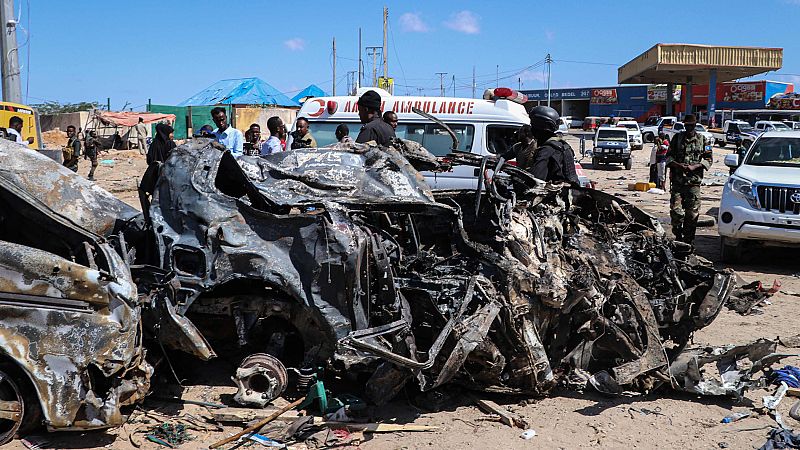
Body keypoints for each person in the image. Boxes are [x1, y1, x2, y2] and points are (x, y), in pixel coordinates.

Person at [665, 114, 713, 245]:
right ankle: (678, 236)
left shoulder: (703, 140)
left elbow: (709, 159)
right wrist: (678, 165)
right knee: (676, 212)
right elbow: (668, 157)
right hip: (678, 182)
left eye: (691, 126)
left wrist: (695, 166)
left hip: (693, 183)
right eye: (687, 125)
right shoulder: (677, 138)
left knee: (691, 215)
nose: (689, 128)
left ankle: (688, 240)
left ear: (695, 125)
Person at [523, 106, 579, 185]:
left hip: (556, 194)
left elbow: (535, 180)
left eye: (533, 125)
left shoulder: (546, 150)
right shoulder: (563, 145)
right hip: (572, 191)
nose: (531, 128)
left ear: (539, 128)